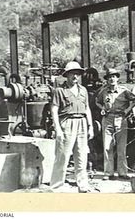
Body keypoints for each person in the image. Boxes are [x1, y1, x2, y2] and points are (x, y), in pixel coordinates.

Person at [49, 61, 95, 193]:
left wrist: (90, 126)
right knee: (62, 155)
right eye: (72, 74)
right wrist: (57, 128)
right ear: (67, 75)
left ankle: (83, 185)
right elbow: (54, 109)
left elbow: (87, 109)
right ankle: (56, 186)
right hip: (67, 123)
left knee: (81, 155)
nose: (75, 76)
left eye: (78, 74)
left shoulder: (83, 90)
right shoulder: (59, 91)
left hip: (81, 123)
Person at [95, 68, 135, 180]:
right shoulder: (104, 91)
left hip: (121, 119)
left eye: (114, 76)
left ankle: (122, 172)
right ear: (107, 79)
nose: (112, 79)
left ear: (117, 78)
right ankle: (108, 173)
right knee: (107, 147)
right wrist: (102, 108)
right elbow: (97, 101)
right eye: (109, 77)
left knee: (121, 148)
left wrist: (127, 110)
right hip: (108, 119)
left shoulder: (124, 91)